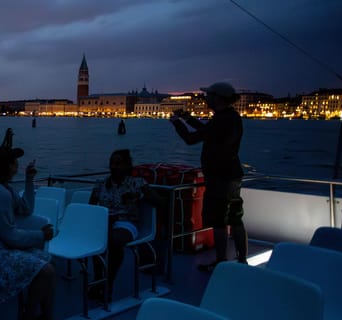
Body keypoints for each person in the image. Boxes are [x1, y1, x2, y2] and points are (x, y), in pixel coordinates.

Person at [0, 145, 55, 320]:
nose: (18, 164)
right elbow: (9, 236)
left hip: (0, 248)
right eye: (15, 161)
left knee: (47, 264)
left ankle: (47, 316)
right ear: (9, 166)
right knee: (46, 271)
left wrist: (29, 179)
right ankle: (29, 315)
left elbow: (26, 209)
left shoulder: (4, 188)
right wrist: (41, 235)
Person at [170, 81, 246, 272]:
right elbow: (206, 131)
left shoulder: (221, 120)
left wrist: (177, 123)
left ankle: (221, 261)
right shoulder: (231, 117)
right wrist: (188, 118)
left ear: (218, 98)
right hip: (232, 174)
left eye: (209, 95)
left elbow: (192, 138)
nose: (206, 98)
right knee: (236, 218)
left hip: (219, 177)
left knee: (219, 220)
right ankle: (242, 259)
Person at [88, 149, 161, 300]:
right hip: (105, 221)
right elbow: (91, 207)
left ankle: (108, 283)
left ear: (127, 166)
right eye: (112, 163)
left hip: (127, 223)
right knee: (96, 238)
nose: (114, 167)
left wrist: (139, 195)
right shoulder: (101, 184)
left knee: (115, 241)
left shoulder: (137, 183)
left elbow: (159, 202)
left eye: (118, 163)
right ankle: (98, 279)